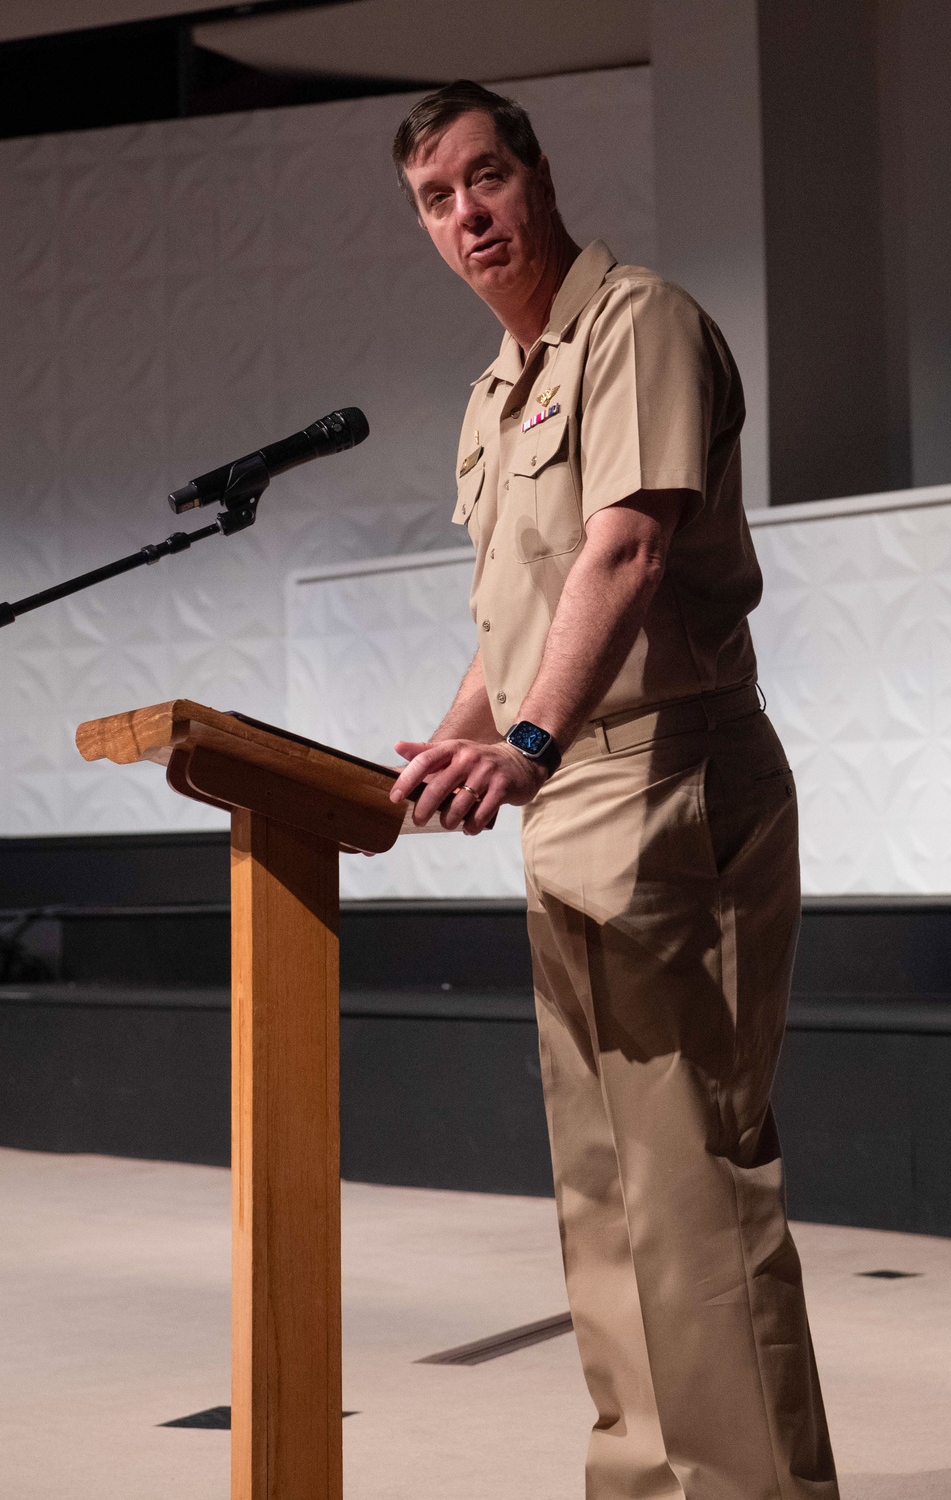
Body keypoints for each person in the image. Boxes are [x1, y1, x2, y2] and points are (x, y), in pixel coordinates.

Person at [387, 80, 838, 1500]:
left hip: (669, 780)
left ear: (534, 174)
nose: (467, 216)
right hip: (566, 798)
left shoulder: (635, 324)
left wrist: (519, 743)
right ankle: (644, 1481)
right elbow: (512, 630)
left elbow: (629, 554)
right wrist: (444, 746)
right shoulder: (497, 394)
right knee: (602, 1193)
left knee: (693, 1182)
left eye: (482, 179)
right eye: (435, 201)